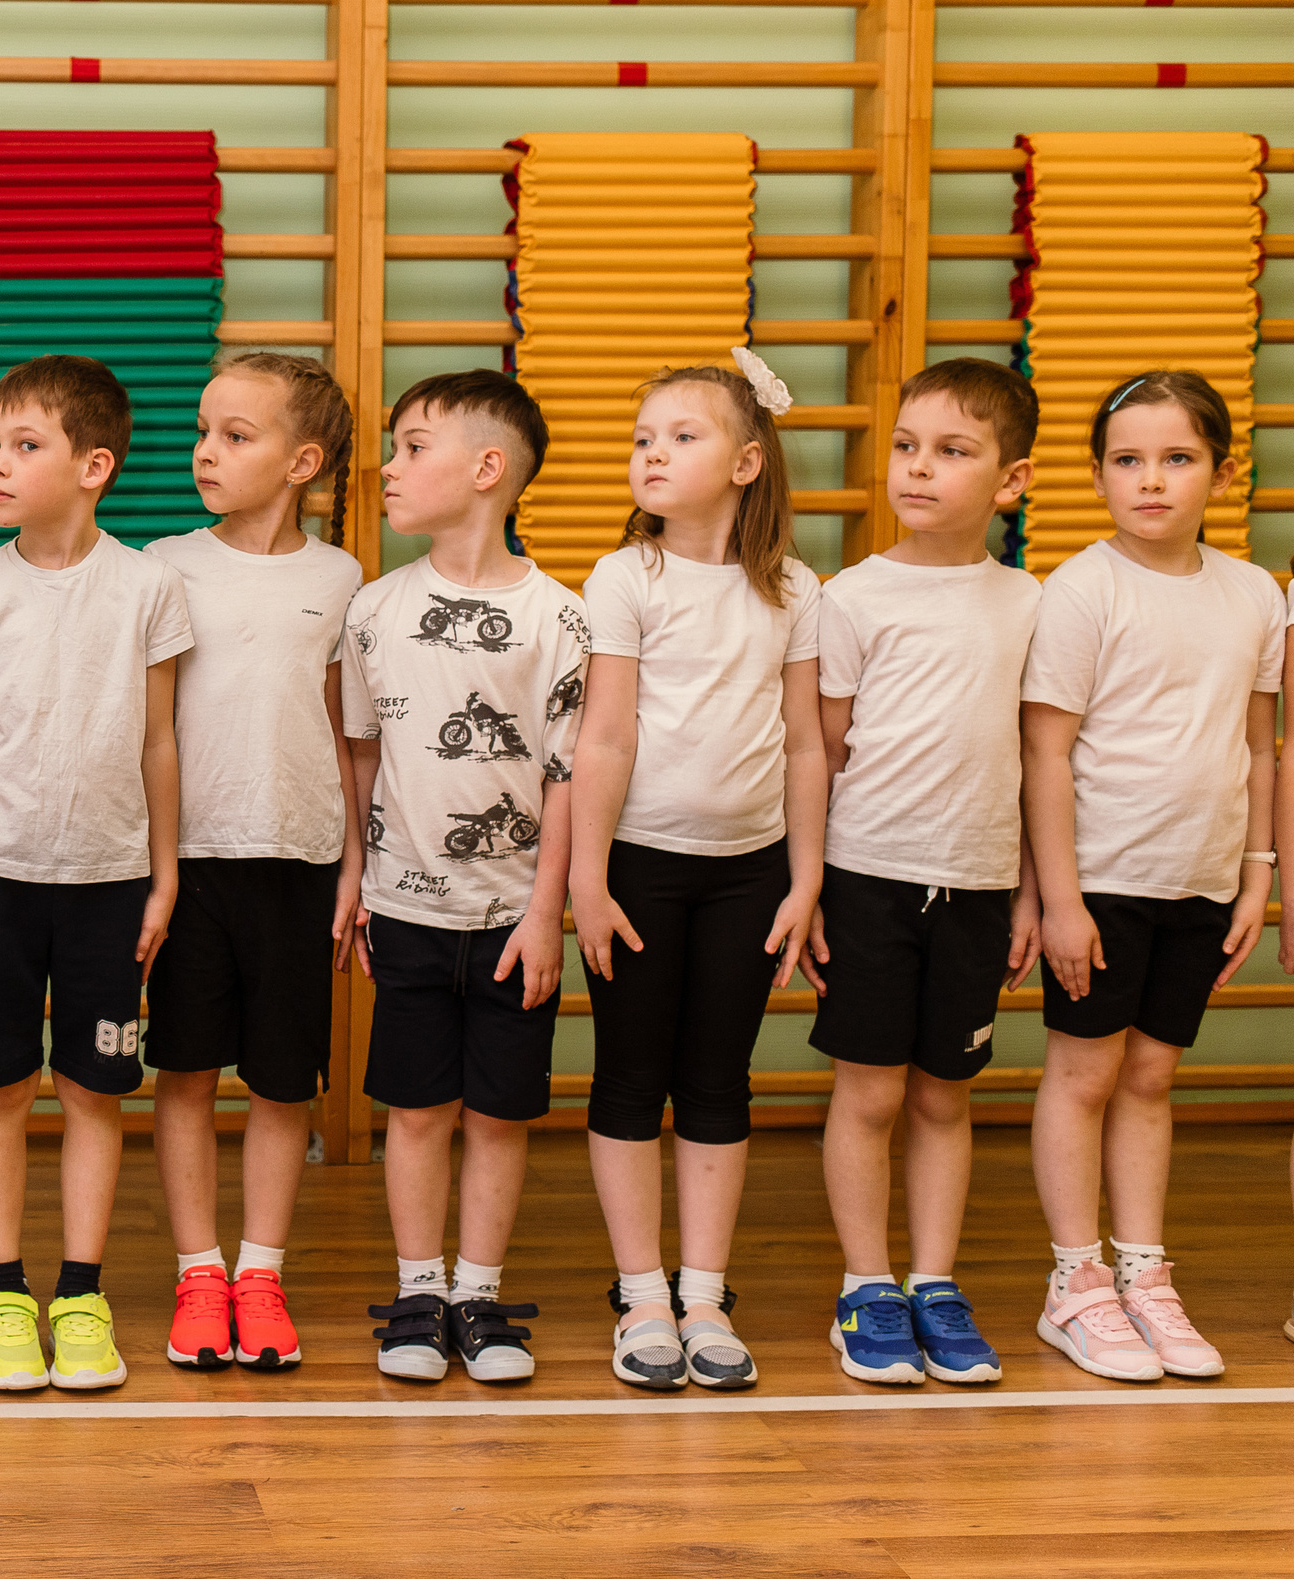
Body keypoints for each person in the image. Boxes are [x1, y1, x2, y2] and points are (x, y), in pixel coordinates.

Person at [0, 354, 192, 1392]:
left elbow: (159, 741)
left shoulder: (147, 587)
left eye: (24, 446)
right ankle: (2, 1295)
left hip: (110, 886)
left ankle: (81, 1296)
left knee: (93, 1089)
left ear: (93, 466)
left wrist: (162, 876)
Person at [569, 349, 827, 1393]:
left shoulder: (795, 589)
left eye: (682, 436)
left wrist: (804, 880)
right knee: (632, 1076)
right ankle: (641, 1294)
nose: (653, 453)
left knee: (718, 1079)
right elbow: (603, 737)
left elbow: (805, 744)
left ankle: (705, 1293)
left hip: (748, 876)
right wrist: (587, 879)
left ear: (747, 461)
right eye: (644, 438)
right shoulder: (626, 577)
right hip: (637, 868)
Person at [1024, 369, 1280, 1380]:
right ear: (1097, 477)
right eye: (1127, 460)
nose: (1152, 480)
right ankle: (1075, 1280)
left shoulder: (1254, 594)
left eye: (1177, 458)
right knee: (1085, 1074)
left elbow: (1257, 746)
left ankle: (1142, 1271)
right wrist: (1061, 899)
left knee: (1151, 1075)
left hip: (1203, 881)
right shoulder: (1081, 589)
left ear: (1223, 472)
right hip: (1102, 882)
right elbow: (1044, 753)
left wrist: (1254, 875)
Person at [799, 359, 1041, 1386]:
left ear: (1011, 480)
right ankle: (866, 1286)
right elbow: (824, 752)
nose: (918, 468)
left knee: (944, 1097)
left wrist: (1030, 891)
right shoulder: (851, 597)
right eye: (906, 446)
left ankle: (935, 1282)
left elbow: (1038, 758)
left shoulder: (1031, 602)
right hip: (869, 880)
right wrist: (811, 885)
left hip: (979, 886)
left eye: (951, 451)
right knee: (867, 1096)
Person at [341, 370, 585, 1385]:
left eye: (412, 447)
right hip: (403, 910)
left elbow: (567, 777)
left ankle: (479, 1293)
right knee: (415, 1110)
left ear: (488, 469)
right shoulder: (372, 610)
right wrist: (355, 878)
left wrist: (546, 911)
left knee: (497, 1114)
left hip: (514, 920)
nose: (389, 467)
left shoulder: (562, 618)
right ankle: (418, 1290)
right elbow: (361, 755)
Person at [142, 353, 362, 1373]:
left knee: (281, 1080)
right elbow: (144, 729)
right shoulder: (164, 567)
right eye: (203, 430)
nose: (205, 451)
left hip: (299, 862)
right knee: (185, 1071)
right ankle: (200, 1271)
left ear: (301, 462)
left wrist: (353, 865)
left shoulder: (341, 580)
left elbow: (347, 733)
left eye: (235, 436)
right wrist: (150, 870)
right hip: (189, 863)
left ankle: (259, 1275)